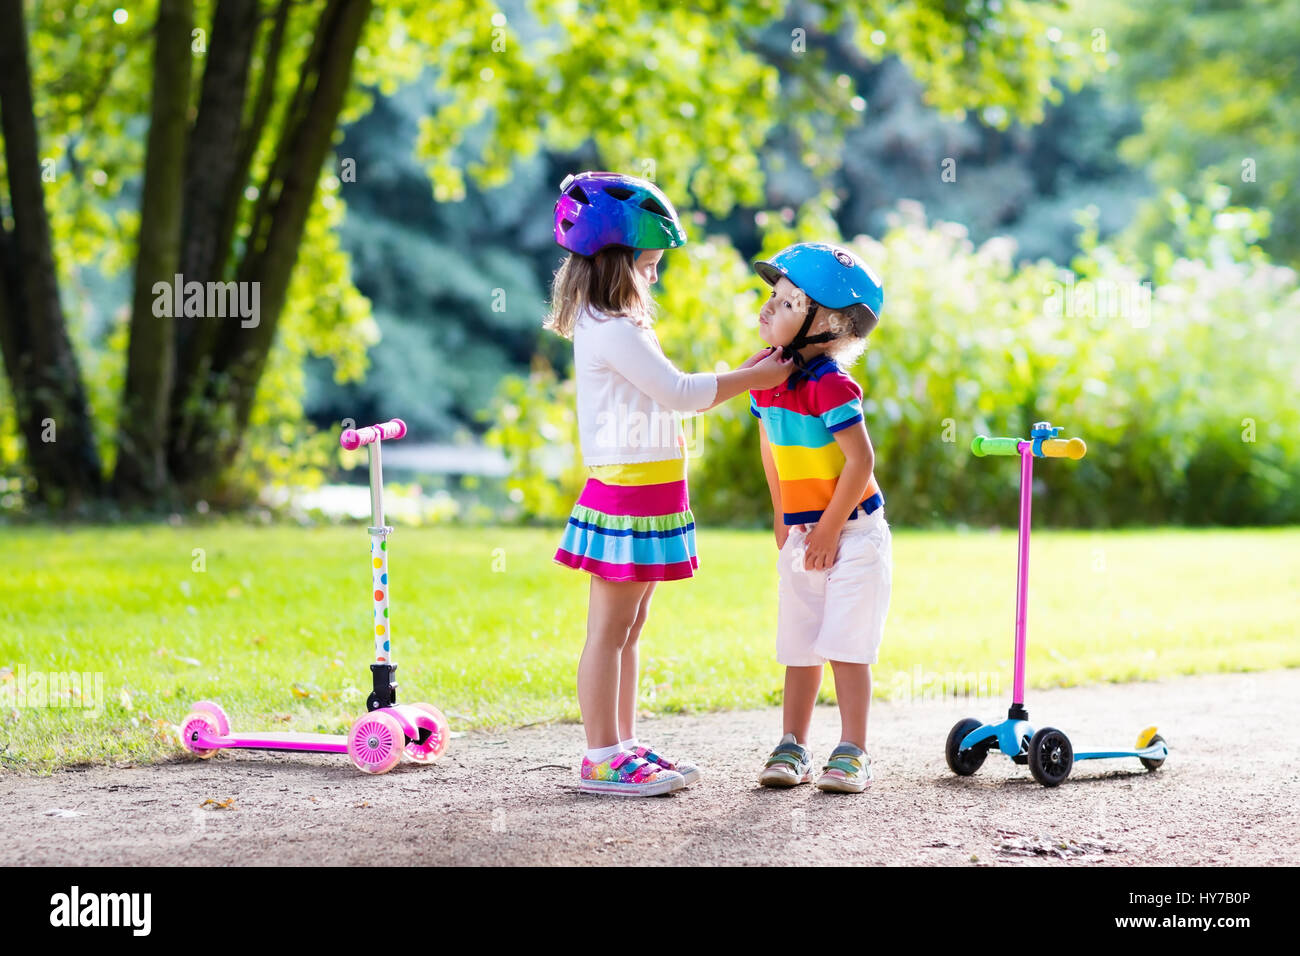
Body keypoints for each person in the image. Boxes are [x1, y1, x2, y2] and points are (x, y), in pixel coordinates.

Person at [547, 171, 792, 796]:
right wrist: (755, 378)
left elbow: (670, 393)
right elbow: (679, 393)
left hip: (651, 493)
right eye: (648, 264)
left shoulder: (620, 321)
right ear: (614, 261)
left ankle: (623, 743)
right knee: (608, 630)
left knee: (630, 628)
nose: (654, 276)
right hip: (626, 495)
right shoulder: (609, 327)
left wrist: (748, 373)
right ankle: (600, 754)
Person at [747, 241, 890, 794]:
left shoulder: (831, 385)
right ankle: (793, 744)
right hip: (805, 529)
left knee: (846, 646)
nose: (767, 310)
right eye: (773, 298)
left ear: (824, 325)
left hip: (853, 533)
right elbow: (769, 447)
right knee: (800, 642)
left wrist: (829, 529)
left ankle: (853, 748)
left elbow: (861, 460)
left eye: (785, 304)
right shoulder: (765, 375)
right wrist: (782, 514)